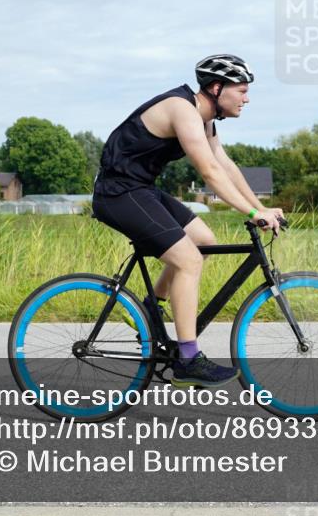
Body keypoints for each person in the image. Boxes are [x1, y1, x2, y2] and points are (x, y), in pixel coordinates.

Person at [92, 54, 283, 388]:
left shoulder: (206, 120)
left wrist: (263, 208)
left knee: (205, 241)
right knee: (188, 260)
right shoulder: (182, 109)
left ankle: (153, 307)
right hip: (117, 193)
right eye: (241, 89)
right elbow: (208, 172)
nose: (247, 98)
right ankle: (188, 358)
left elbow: (225, 165)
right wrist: (253, 214)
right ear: (216, 87)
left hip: (141, 190)